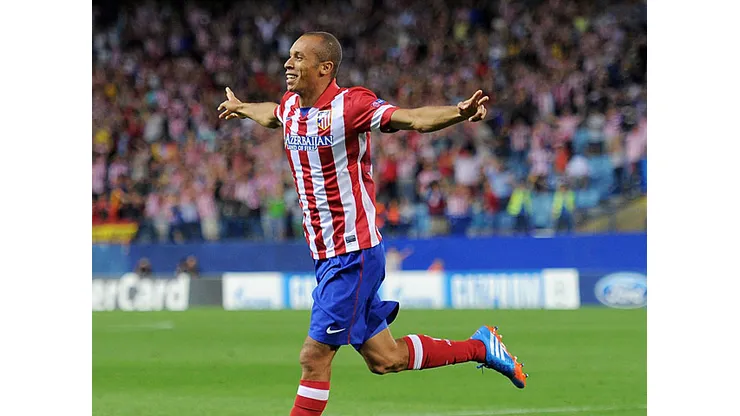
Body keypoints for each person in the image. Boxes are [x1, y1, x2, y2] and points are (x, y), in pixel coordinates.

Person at [218, 32, 527, 416]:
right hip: (326, 255)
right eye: (290, 55)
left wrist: (459, 113)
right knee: (385, 358)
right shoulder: (292, 105)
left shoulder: (352, 105)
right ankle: (481, 347)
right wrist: (243, 107)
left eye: (298, 57)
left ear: (324, 68)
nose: (288, 63)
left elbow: (413, 119)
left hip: (352, 253)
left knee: (314, 357)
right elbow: (272, 115)